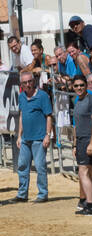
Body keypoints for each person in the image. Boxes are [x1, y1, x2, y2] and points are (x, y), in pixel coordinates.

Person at [14, 71, 52, 203]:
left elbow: (48, 116)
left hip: (39, 138)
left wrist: (48, 135)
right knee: (22, 166)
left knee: (40, 167)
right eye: (25, 83)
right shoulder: (21, 97)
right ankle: (22, 194)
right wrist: (19, 135)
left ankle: (42, 194)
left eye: (30, 81)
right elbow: (22, 115)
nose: (28, 84)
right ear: (21, 85)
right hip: (25, 138)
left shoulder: (43, 96)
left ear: (33, 81)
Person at [70, 74, 92, 215]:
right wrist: (75, 145)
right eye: (76, 85)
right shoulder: (78, 101)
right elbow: (76, 126)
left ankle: (89, 205)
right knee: (91, 172)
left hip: (89, 140)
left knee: (83, 171)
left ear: (86, 85)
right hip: (82, 140)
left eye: (81, 85)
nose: (79, 88)